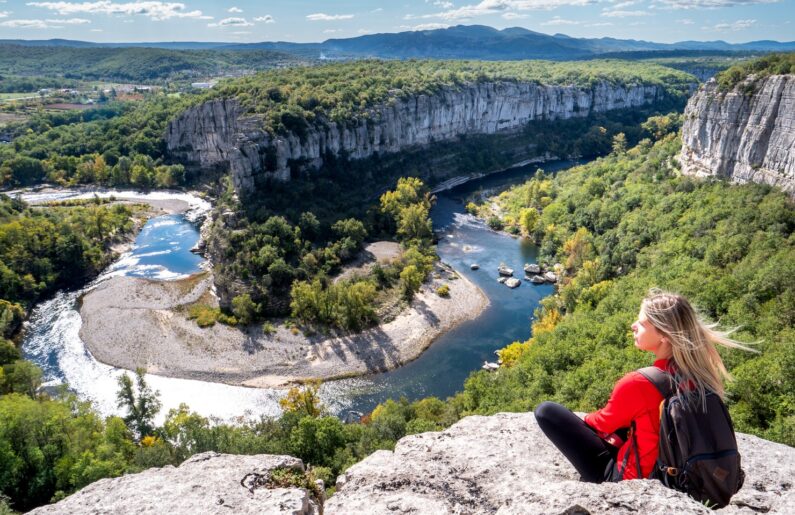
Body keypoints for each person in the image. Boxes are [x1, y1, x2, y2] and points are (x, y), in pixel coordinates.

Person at [534, 289, 753, 483]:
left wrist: (592, 422)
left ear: (664, 335)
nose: (633, 326)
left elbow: (600, 424)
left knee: (547, 411)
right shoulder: (702, 376)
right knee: (630, 421)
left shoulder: (640, 383)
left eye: (641, 323)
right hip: (681, 476)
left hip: (632, 480)